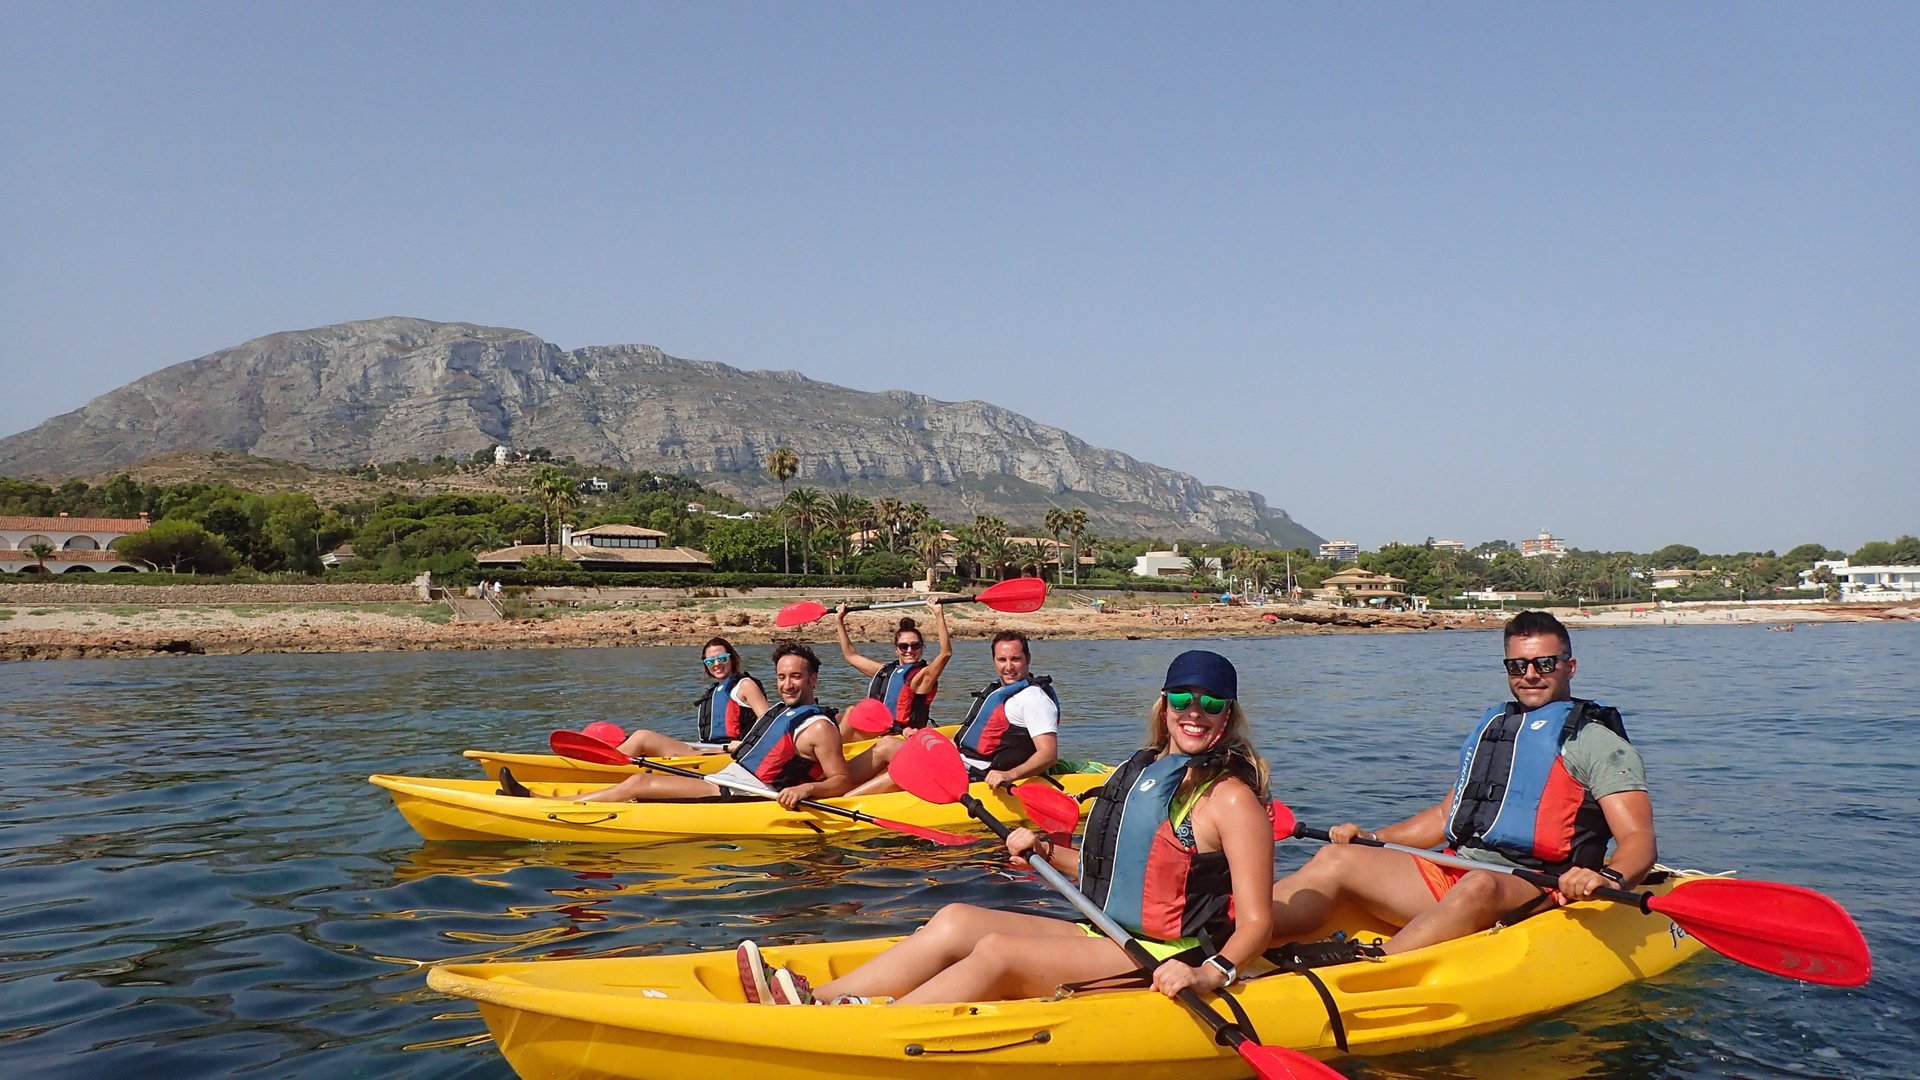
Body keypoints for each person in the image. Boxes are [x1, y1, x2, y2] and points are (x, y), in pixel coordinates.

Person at [737, 650, 1274, 1006]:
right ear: (1165, 705)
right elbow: (1106, 873)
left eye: (1210, 705)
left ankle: (860, 1025)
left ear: (1227, 715)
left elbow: (1256, 922)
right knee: (954, 918)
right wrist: (1042, 850)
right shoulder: (1145, 771)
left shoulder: (1230, 799)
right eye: (1183, 700)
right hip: (1104, 928)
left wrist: (1211, 974)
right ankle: (822, 998)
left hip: (1162, 954)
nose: (1194, 713)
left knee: (997, 951)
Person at [1267, 610, 1656, 957]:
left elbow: (1639, 839)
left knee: (1479, 886)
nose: (1531, 675)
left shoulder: (1598, 744)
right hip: (1457, 868)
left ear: (1569, 667)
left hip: (1538, 884)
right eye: (1518, 666)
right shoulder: (1496, 728)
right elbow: (1444, 815)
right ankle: (1235, 929)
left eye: (1545, 663)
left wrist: (1607, 876)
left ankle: (1372, 965)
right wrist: (1371, 838)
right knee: (1337, 859)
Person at [498, 642, 850, 810]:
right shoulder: (781, 711)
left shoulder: (818, 728)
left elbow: (840, 781)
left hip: (741, 796)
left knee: (637, 783)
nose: (787, 684)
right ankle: (565, 799)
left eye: (796, 677)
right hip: (724, 778)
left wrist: (806, 791)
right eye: (782, 677)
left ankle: (544, 804)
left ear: (813, 680)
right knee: (639, 783)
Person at [842, 629, 1060, 797]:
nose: (1009, 667)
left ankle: (842, 801)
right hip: (959, 761)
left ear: (1027, 658)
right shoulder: (999, 690)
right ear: (994, 660)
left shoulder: (1034, 699)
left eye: (1016, 659)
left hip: (978, 775)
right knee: (887, 745)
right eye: (1002, 660)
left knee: (906, 768)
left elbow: (1048, 754)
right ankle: (834, 783)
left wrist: (1009, 775)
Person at [612, 637, 773, 759]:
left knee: (642, 737)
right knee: (636, 740)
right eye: (710, 661)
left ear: (732, 659)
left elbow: (770, 724)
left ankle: (605, 767)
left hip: (731, 755)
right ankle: (608, 762)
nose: (716, 664)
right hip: (708, 750)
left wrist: (746, 744)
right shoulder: (714, 690)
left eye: (722, 658)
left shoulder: (745, 685)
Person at [833, 601, 953, 738]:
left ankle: (830, 754)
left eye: (915, 646)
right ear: (896, 650)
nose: (909, 650)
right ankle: (829, 750)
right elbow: (851, 655)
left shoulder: (923, 677)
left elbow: (945, 654)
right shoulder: (887, 672)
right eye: (904, 646)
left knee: (851, 712)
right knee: (838, 718)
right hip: (880, 731)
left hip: (900, 735)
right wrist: (839, 620)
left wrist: (938, 613)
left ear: (921, 647)